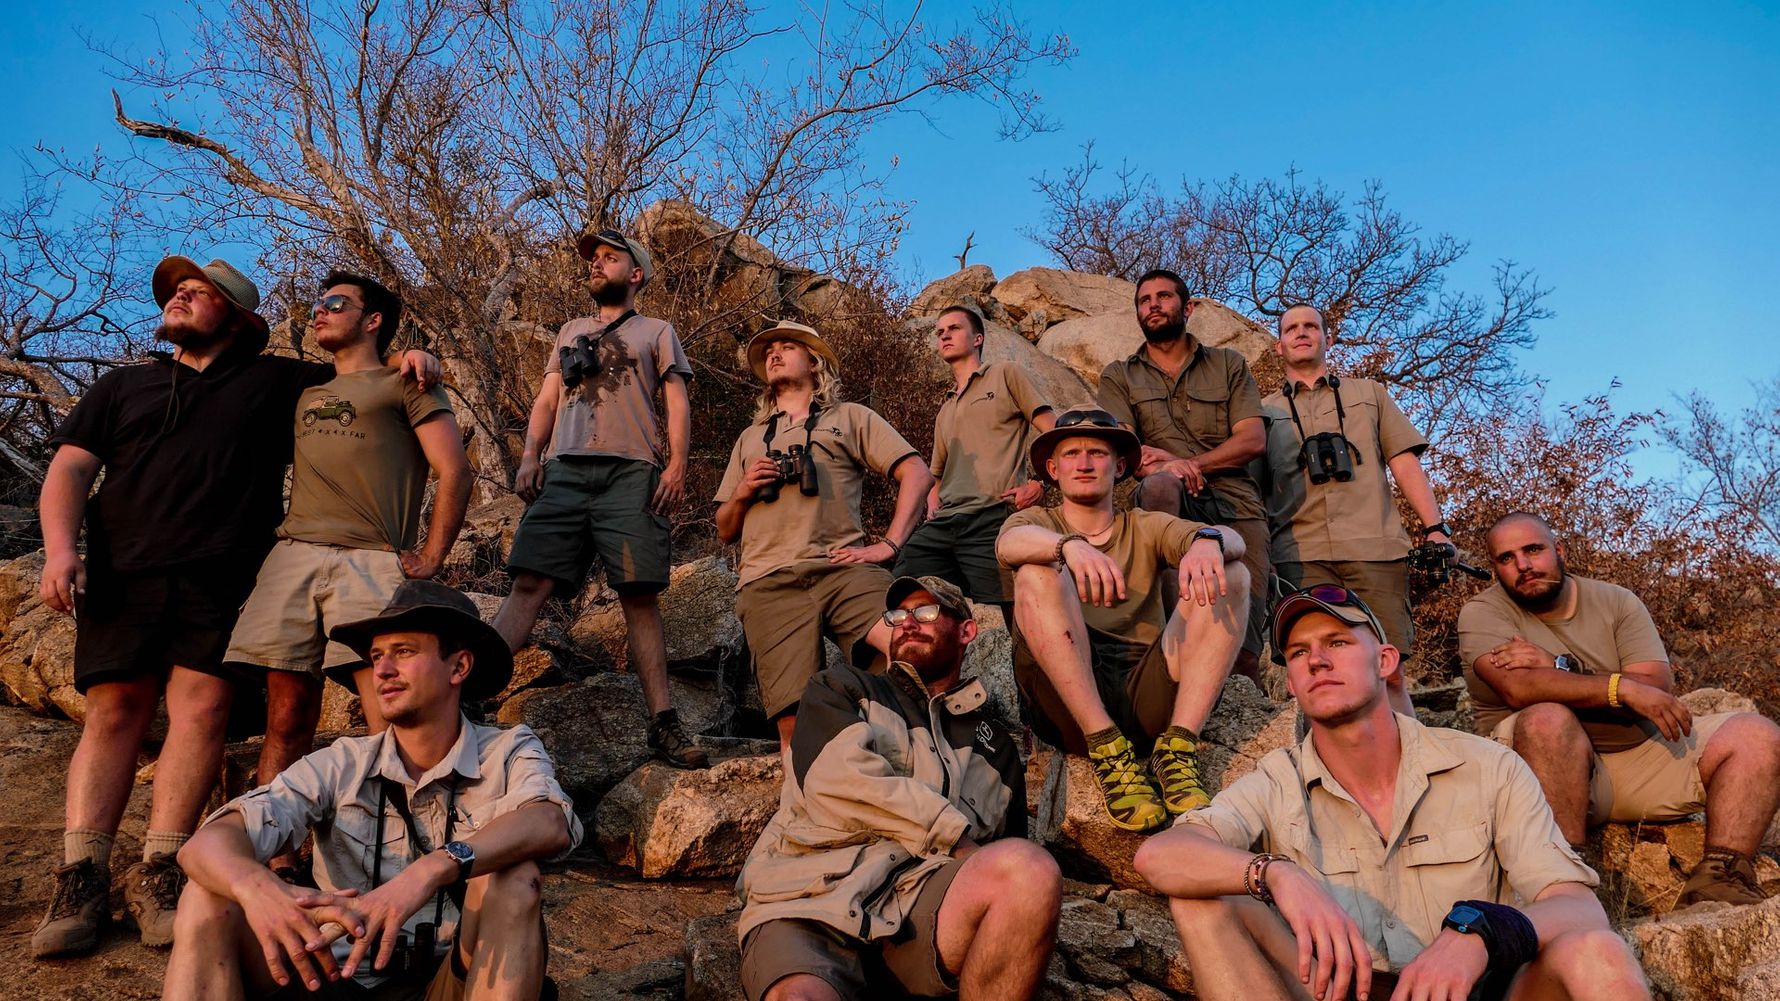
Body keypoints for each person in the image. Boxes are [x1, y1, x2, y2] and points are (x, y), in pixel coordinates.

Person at [32, 257, 438, 957]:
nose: (181, 296)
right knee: (115, 709)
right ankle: (82, 876)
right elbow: (70, 466)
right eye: (176, 291)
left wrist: (416, 355)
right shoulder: (121, 384)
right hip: (124, 572)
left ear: (241, 317)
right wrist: (61, 549)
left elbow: (364, 377)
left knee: (203, 712)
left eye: (199, 291)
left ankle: (163, 868)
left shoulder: (277, 381)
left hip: (222, 579)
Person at [1135, 586, 1652, 1001]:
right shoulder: (1277, 778)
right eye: (1298, 653)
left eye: (1337, 643)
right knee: (1203, 898)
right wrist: (1276, 873)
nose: (1316, 661)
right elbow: (1161, 856)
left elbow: (1579, 908)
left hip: (1472, 988)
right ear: (1290, 684)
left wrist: (1481, 932)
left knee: (1595, 951)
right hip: (1337, 989)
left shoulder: (1486, 765)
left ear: (1384, 661)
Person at [161, 579, 581, 1000]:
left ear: (459, 667)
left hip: (454, 979)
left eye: (404, 652)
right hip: (334, 976)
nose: (381, 670)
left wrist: (431, 871)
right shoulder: (342, 762)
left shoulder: (507, 750)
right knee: (206, 896)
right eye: (377, 656)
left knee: (513, 879)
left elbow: (549, 821)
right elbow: (203, 846)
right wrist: (258, 888)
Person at [221, 272, 471, 882]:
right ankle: (277, 860)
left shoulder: (404, 382)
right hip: (296, 554)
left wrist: (432, 556)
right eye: (316, 304)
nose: (318, 312)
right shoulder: (304, 390)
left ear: (374, 319)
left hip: (369, 557)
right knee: (285, 715)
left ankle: (399, 855)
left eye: (336, 303)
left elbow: (454, 470)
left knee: (388, 708)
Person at [736, 575, 1061, 1001]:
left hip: (919, 908)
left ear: (966, 631)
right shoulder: (841, 688)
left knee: (1029, 871)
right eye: (898, 614)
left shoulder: (996, 745)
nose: (907, 622)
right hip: (808, 901)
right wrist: (954, 835)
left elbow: (1001, 855)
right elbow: (840, 781)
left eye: (926, 612)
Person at [1459, 511, 1780, 906]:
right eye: (1506, 558)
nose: (1523, 565)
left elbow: (1656, 687)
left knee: (1757, 734)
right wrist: (1620, 687)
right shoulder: (1483, 612)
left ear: (1559, 551)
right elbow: (1519, 687)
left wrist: (1566, 667)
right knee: (1547, 717)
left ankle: (1721, 875)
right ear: (1494, 568)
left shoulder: (1616, 601)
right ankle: (1562, 882)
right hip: (1538, 766)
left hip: (1634, 759)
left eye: (1533, 550)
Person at [492, 227, 706, 769]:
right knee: (529, 583)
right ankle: (466, 698)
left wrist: (677, 463)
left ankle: (664, 724)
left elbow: (676, 401)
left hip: (631, 473)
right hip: (563, 470)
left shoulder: (657, 330)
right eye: (594, 258)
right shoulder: (569, 329)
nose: (597, 264)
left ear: (636, 275)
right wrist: (529, 455)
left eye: (611, 258)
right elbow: (547, 399)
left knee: (639, 593)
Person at [997, 408, 1248, 832]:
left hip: (1145, 686)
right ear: (1053, 470)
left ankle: (1178, 749)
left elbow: (1235, 540)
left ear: (1120, 467)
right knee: (1035, 572)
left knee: (1233, 570)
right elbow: (1009, 543)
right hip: (1068, 701)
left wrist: (1207, 540)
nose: (1084, 462)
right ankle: (1106, 748)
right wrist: (1069, 547)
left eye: (1097, 452)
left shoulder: (1145, 525)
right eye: (1072, 453)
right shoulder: (1038, 522)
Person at [714, 319, 933, 750]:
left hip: (843, 568)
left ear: (815, 363)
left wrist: (888, 544)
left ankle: (919, 766)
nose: (774, 353)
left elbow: (916, 472)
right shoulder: (751, 438)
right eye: (769, 349)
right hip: (768, 580)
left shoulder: (848, 417)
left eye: (786, 346)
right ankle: (806, 810)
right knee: (794, 722)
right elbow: (725, 529)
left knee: (910, 650)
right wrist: (742, 492)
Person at [1261, 302, 1450, 715]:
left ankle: (1410, 766)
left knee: (1389, 666)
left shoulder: (1369, 394)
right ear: (1279, 346)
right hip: (1299, 555)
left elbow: (1403, 460)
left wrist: (1436, 529)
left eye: (1311, 325)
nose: (1302, 332)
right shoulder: (1263, 412)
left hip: (1376, 548)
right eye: (1291, 328)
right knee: (1314, 675)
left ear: (1327, 338)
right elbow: (1254, 490)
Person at [1095, 269, 1269, 681]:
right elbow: (1125, 453)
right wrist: (1170, 469)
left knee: (1243, 646)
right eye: (1144, 300)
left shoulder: (1229, 364)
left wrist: (1188, 462)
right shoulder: (1119, 375)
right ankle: (1175, 635)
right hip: (1165, 503)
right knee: (1159, 484)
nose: (1153, 305)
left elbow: (1251, 440)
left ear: (1187, 308)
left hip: (1234, 501)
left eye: (1163, 297)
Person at [893, 303, 1055, 618]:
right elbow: (936, 475)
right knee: (908, 582)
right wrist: (931, 505)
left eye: (953, 329)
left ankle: (1027, 666)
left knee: (1013, 611)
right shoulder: (946, 409)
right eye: (939, 332)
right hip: (944, 524)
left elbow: (1054, 431)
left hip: (992, 516)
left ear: (977, 338)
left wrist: (1040, 483)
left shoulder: (1006, 374)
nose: (944, 336)